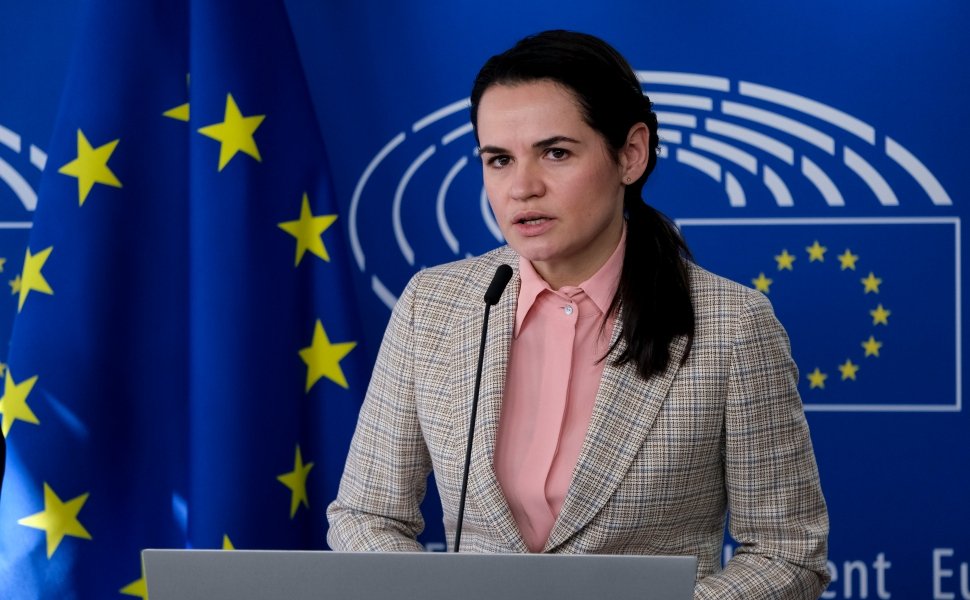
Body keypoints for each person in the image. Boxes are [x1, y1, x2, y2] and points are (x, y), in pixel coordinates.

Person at [327, 30, 829, 599]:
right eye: (498, 159)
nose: (523, 187)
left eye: (556, 152)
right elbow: (366, 515)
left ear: (630, 154)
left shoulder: (732, 324)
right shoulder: (432, 305)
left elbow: (787, 553)